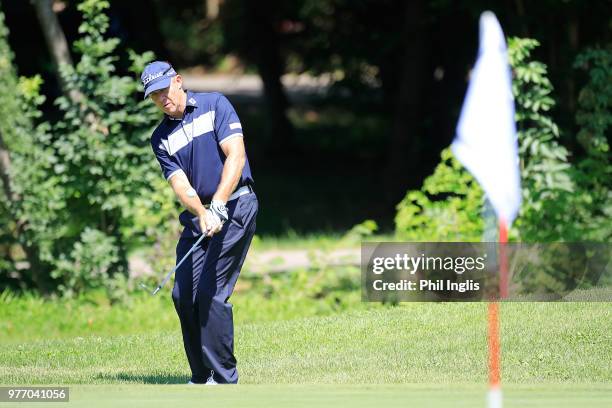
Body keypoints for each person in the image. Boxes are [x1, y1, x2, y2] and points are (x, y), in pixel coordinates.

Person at [141, 61, 258, 384]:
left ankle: (224, 380)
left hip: (236, 205)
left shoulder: (214, 104)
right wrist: (202, 212)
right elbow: (180, 184)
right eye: (155, 96)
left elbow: (236, 154)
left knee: (211, 292)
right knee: (183, 295)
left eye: (165, 90)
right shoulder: (160, 138)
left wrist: (219, 202)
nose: (162, 98)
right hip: (200, 216)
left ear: (178, 81)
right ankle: (200, 374)